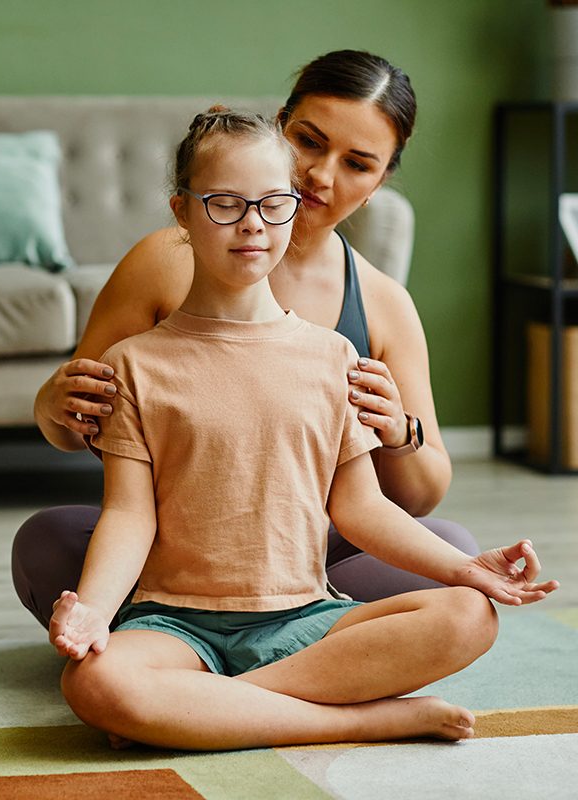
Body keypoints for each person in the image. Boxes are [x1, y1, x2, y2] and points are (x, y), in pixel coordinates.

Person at [49, 108, 557, 750]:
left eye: (273, 204)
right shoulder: (133, 364)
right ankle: (362, 720)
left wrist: (467, 569)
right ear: (182, 212)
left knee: (468, 615)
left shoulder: (334, 358)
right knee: (93, 683)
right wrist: (95, 609)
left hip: (307, 618)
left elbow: (360, 508)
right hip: (174, 625)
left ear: (293, 209)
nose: (253, 224)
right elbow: (129, 515)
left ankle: (201, 711)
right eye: (225, 204)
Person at [12, 49, 477, 629]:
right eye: (309, 141)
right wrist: (51, 405)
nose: (321, 175)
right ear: (279, 129)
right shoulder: (162, 260)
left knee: (452, 548)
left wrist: (398, 433)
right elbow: (77, 425)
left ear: (379, 181)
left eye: (357, 164)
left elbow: (419, 499)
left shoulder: (384, 305)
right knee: (47, 541)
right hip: (175, 547)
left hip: (312, 552)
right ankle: (303, 646)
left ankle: (220, 647)